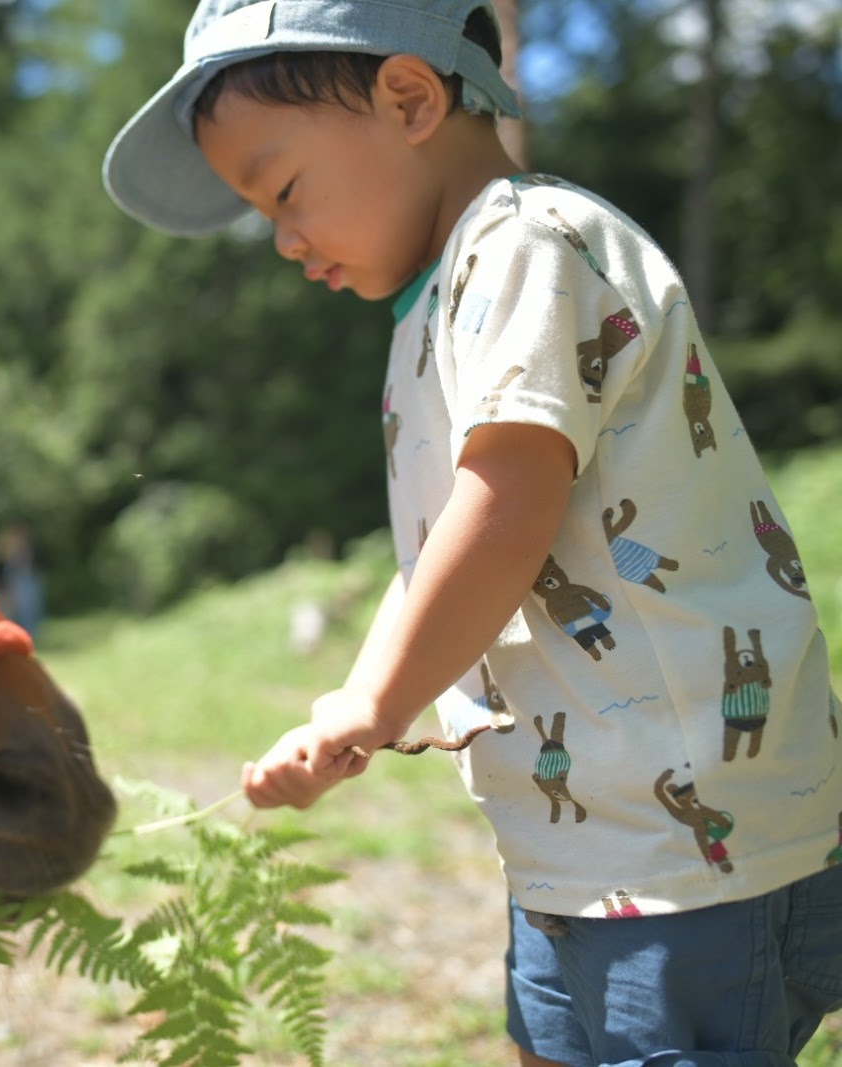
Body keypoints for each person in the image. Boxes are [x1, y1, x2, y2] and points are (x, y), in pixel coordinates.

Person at [102, 2, 842, 1065]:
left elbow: (504, 507)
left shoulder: (526, 245)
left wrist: (375, 701)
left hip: (690, 839)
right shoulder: (432, 305)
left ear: (408, 98)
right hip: (578, 839)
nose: (281, 237)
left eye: (285, 189)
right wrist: (347, 703)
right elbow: (440, 547)